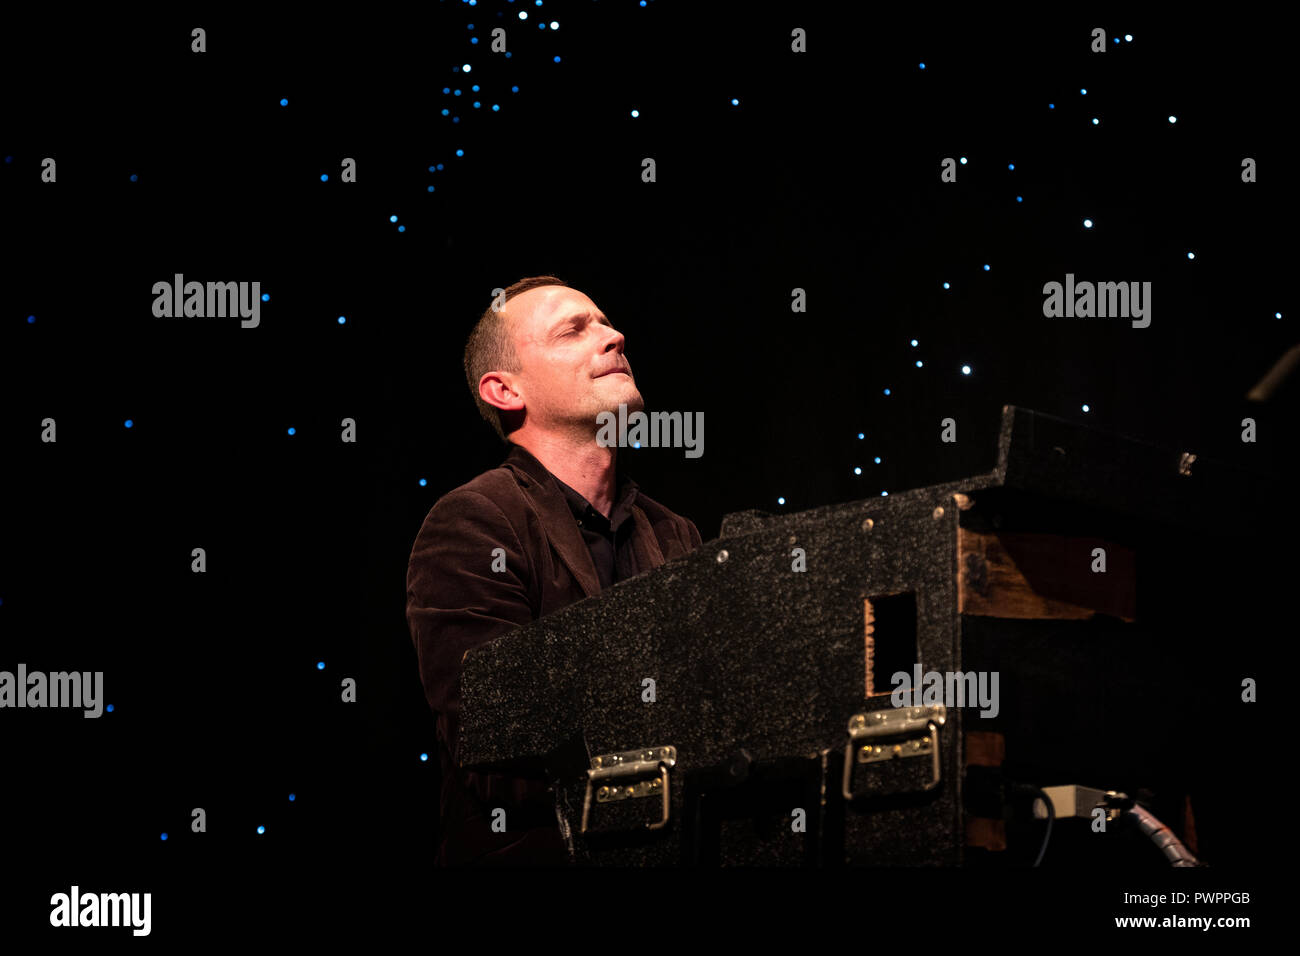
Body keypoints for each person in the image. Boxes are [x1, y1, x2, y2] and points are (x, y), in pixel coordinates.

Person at [405, 275, 704, 865]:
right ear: (505, 389)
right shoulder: (473, 521)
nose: (615, 337)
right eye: (573, 329)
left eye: (605, 322)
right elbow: (497, 735)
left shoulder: (676, 533)